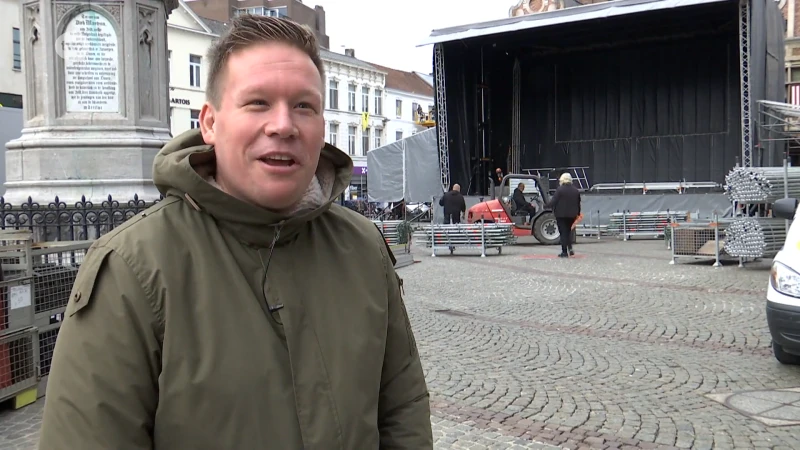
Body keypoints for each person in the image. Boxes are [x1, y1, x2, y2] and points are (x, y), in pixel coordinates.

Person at [38, 16, 432, 450]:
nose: (283, 125)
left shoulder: (362, 247)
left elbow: (402, 408)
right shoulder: (134, 268)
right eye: (258, 102)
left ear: (322, 127)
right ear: (209, 123)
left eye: (304, 106)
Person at [547, 173, 582, 257]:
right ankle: (570, 248)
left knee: (563, 233)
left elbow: (554, 201)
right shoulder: (575, 190)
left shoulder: (560, 190)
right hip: (572, 215)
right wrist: (578, 213)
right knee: (568, 232)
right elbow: (578, 203)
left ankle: (564, 252)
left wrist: (546, 205)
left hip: (561, 215)